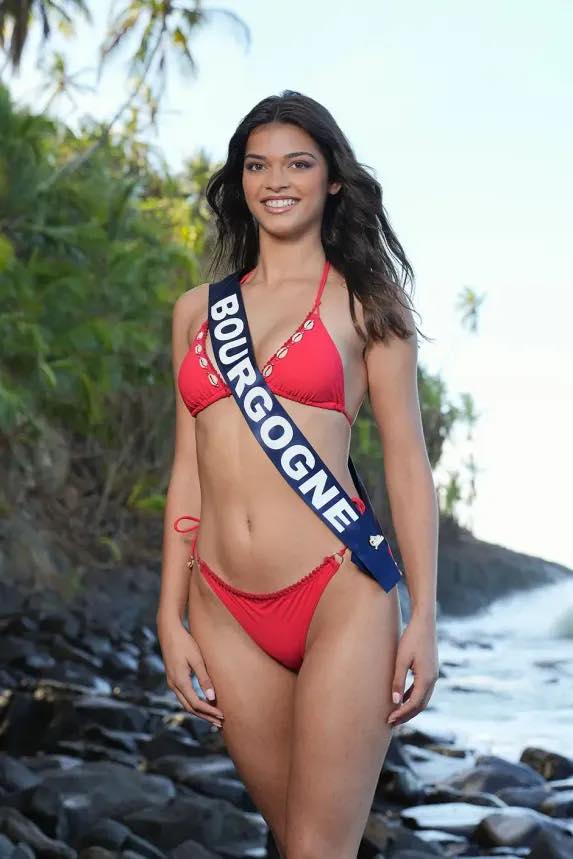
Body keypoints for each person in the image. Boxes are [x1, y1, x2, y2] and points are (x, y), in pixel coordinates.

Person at [156, 90, 439, 859]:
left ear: (332, 179)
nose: (275, 180)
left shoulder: (369, 304)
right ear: (239, 181)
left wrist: (423, 614)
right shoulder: (196, 312)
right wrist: (169, 616)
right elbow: (188, 471)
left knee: (318, 849)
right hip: (222, 606)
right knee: (293, 839)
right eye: (257, 165)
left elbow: (406, 464)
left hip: (337, 591)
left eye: (297, 163)